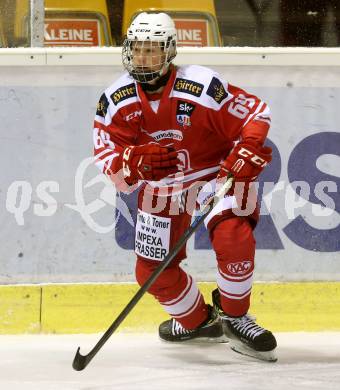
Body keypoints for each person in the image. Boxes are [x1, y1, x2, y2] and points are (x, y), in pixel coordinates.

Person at [93, 12, 277, 362]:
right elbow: (108, 160)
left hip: (215, 177)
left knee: (234, 236)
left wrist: (248, 146)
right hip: (161, 188)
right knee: (151, 272)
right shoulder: (115, 99)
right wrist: (131, 162)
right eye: (137, 50)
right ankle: (199, 322)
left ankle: (236, 317)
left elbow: (256, 113)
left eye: (152, 50)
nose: (143, 58)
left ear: (170, 51)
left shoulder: (202, 85)